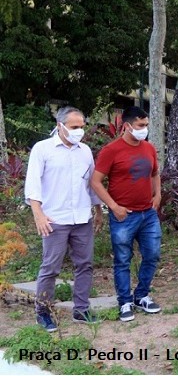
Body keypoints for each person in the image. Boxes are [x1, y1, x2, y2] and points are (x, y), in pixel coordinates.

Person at [24, 106, 104, 331]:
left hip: (81, 218)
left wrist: (98, 211)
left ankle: (81, 309)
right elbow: (33, 185)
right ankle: (43, 311)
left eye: (82, 127)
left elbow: (90, 184)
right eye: (74, 127)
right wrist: (38, 215)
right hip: (54, 219)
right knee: (50, 267)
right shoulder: (42, 149)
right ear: (60, 126)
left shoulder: (85, 151)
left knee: (85, 264)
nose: (79, 131)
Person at [91, 106, 163, 322]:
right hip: (124, 215)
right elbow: (95, 181)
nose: (144, 130)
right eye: (141, 126)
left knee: (152, 255)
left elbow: (155, 173)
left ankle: (141, 295)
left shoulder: (149, 148)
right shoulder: (111, 150)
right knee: (122, 259)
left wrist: (157, 195)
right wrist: (113, 207)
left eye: (146, 125)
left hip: (148, 214)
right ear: (127, 126)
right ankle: (124, 302)